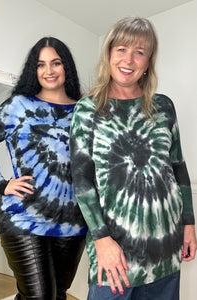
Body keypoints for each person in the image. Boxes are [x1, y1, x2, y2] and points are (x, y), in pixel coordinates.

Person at [69, 17, 197, 300]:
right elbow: (81, 180)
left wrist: (189, 222)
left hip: (166, 244)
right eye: (122, 49)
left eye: (140, 51)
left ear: (148, 62)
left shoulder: (163, 106)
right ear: (109, 54)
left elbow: (178, 167)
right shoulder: (88, 110)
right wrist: (102, 240)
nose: (129, 59)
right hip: (114, 251)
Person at [0, 36, 87, 300]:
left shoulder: (84, 110)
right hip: (23, 218)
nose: (49, 71)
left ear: (66, 67)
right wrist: (1, 183)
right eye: (41, 64)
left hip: (73, 224)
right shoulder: (17, 106)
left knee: (57, 294)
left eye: (56, 63)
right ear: (33, 70)